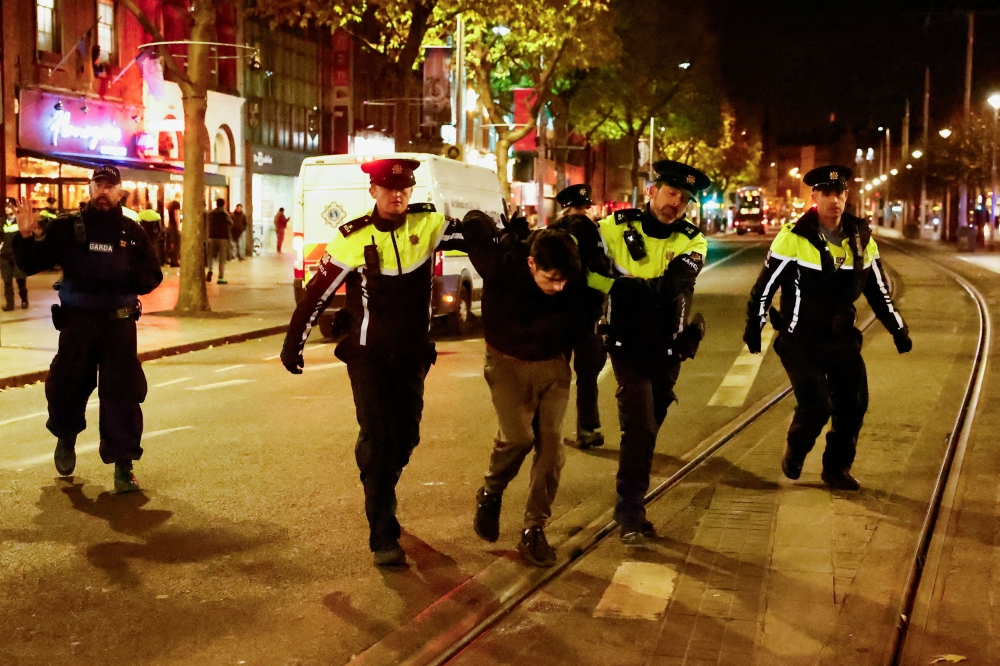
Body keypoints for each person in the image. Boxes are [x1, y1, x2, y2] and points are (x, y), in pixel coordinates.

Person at [280, 158, 467, 567]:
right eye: (387, 188)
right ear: (373, 192)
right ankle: (383, 531)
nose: (396, 195)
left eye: (403, 189)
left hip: (413, 356)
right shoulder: (352, 238)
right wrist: (294, 343)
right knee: (380, 439)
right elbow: (316, 295)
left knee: (406, 438)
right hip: (369, 358)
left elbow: (474, 237)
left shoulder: (429, 225)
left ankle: (376, 467)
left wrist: (499, 236)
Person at [744, 165, 912, 491]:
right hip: (800, 339)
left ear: (847, 196)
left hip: (841, 339)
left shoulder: (862, 240)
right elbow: (764, 287)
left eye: (840, 193)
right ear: (815, 197)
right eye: (827, 194)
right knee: (818, 406)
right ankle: (796, 448)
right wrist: (755, 323)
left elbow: (878, 290)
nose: (834, 200)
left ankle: (836, 469)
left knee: (854, 404)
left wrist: (897, 328)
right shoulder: (793, 237)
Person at [569, 160, 710, 545]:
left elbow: (670, 288)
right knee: (641, 426)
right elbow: (578, 267)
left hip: (670, 348)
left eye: (684, 199)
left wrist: (614, 284)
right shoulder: (613, 229)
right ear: (651, 191)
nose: (676, 204)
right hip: (626, 345)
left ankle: (631, 497)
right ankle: (630, 510)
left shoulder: (692, 240)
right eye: (670, 193)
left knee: (648, 427)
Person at [11, 165, 163, 493]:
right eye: (99, 185)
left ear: (120, 191)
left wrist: (125, 279)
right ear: (90, 189)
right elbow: (29, 264)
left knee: (122, 393)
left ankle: (123, 465)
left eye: (111, 186)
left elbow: (153, 275)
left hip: (118, 325)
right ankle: (66, 439)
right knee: (67, 384)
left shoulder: (132, 232)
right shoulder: (69, 227)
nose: (104, 192)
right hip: (78, 323)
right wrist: (24, 237)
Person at [464, 215, 588, 567]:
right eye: (551, 279)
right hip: (506, 362)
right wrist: (483, 228)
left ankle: (534, 529)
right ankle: (491, 492)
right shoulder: (502, 269)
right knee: (518, 438)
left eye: (564, 280)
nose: (558, 287)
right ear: (531, 263)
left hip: (552, 366)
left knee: (552, 450)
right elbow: (475, 226)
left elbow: (582, 319)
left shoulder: (570, 274)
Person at [549, 184, 606, 448]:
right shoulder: (592, 231)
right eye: (582, 209)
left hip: (558, 314)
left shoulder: (551, 233)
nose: (584, 214)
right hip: (585, 316)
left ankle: (549, 429)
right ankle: (587, 428)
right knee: (586, 377)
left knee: (557, 376)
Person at [2, 198, 29, 310]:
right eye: (7, 206)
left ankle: (24, 299)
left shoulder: (21, 221)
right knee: (7, 281)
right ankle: (10, 304)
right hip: (5, 256)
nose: (8, 208)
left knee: (20, 280)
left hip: (18, 256)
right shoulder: (2, 221)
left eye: (11, 206)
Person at [206, 198, 233, 284]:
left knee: (211, 256)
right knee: (222, 258)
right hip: (223, 238)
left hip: (212, 237)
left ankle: (210, 270)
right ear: (223, 204)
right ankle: (221, 277)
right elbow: (231, 223)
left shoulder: (210, 214)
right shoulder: (225, 214)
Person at [137, 202, 165, 266]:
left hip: (144, 234)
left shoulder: (140, 215)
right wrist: (158, 237)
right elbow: (160, 228)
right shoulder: (156, 215)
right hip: (152, 235)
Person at [165, 198, 181, 267]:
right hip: (174, 227)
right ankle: (174, 260)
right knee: (176, 243)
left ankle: (172, 259)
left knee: (171, 243)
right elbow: (176, 218)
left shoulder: (169, 210)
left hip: (170, 226)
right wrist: (178, 226)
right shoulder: (175, 211)